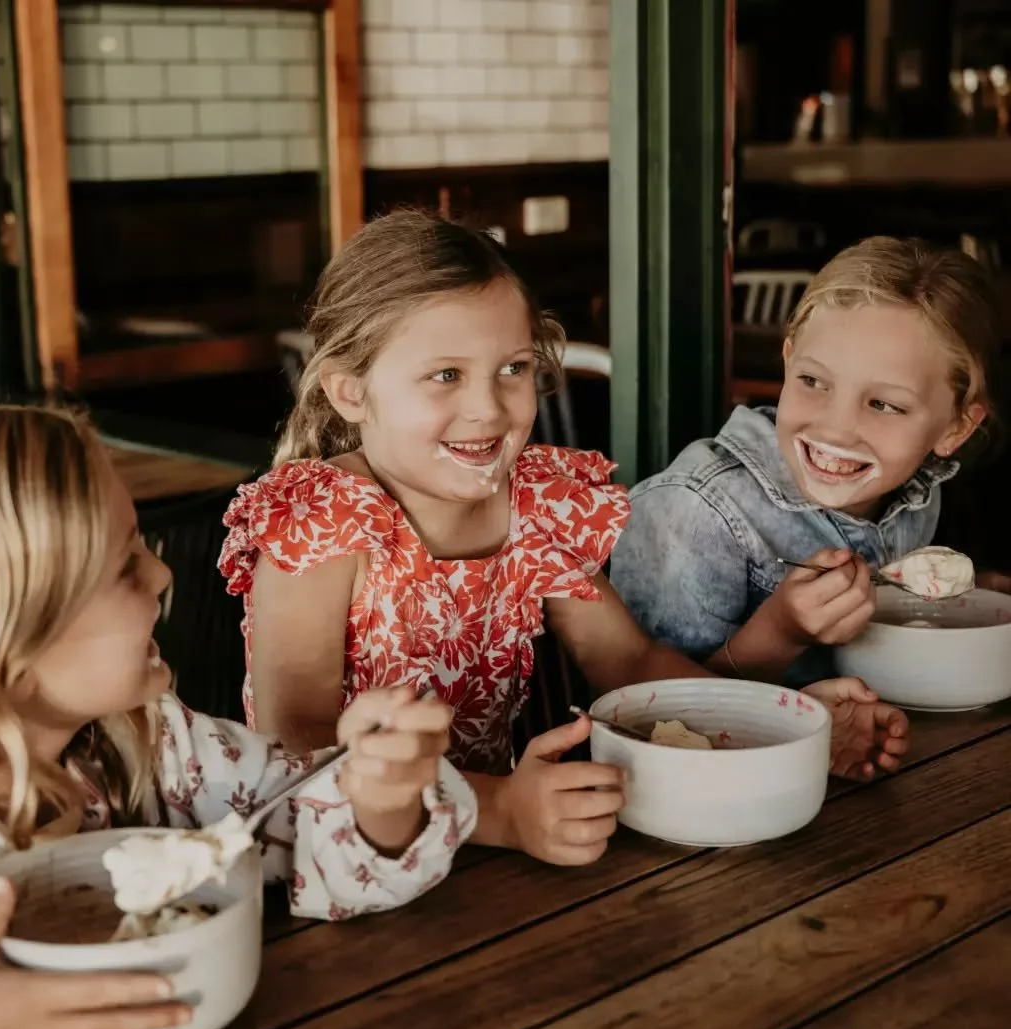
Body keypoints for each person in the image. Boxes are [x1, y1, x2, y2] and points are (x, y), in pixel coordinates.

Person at [220, 212, 906, 872]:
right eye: (445, 375)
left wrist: (784, 727)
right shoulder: (322, 521)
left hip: (486, 854)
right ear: (349, 392)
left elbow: (630, 662)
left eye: (513, 369)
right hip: (335, 866)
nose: (489, 407)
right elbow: (297, 747)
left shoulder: (533, 504)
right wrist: (498, 811)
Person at [0, 405, 475, 1029]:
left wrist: (380, 797)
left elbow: (310, 825)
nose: (161, 576)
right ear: (4, 651)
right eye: (123, 568)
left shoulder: (153, 745)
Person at [612, 236, 1001, 690]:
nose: (836, 428)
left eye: (884, 405)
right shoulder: (689, 514)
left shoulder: (916, 493)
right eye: (813, 380)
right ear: (788, 361)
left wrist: (959, 596)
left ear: (956, 429)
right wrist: (781, 631)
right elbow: (650, 712)